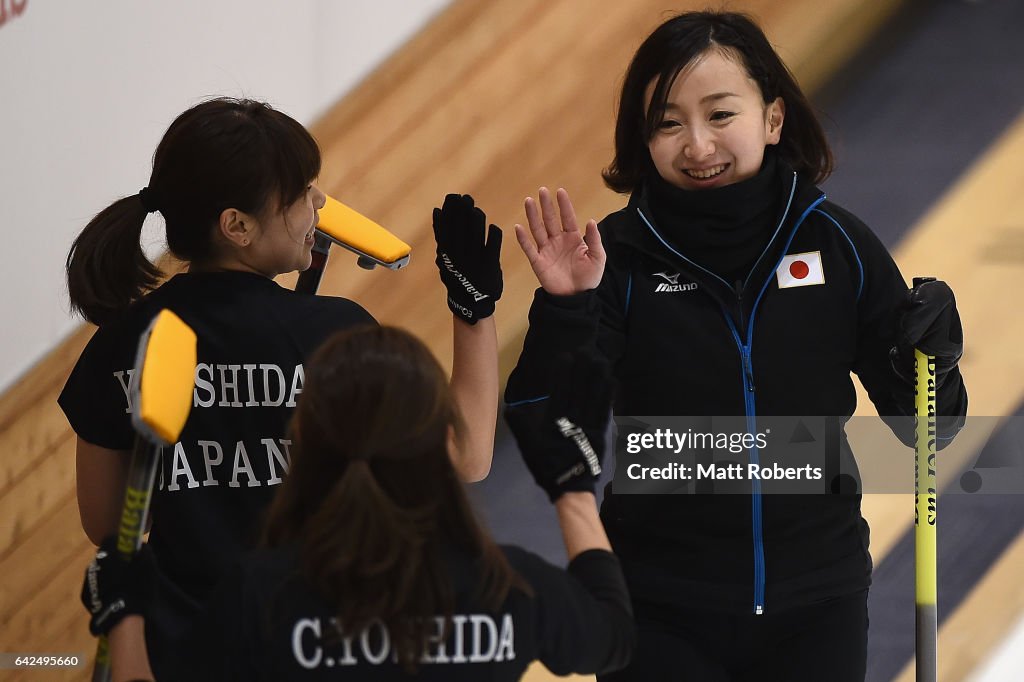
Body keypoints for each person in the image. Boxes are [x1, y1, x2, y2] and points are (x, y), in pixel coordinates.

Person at [504, 11, 967, 681]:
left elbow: (929, 430)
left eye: (720, 115)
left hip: (818, 606)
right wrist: (564, 309)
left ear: (773, 119)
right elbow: (548, 426)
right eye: (668, 123)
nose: (697, 145)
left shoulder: (839, 247)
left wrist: (935, 361)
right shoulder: (616, 261)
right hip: (656, 610)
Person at [59, 98, 503, 680]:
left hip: (186, 652)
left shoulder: (122, 342)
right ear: (236, 226)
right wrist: (473, 308)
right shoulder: (337, 334)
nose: (318, 202)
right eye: (299, 194)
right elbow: (467, 457)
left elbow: (109, 522)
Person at [81, 326, 635, 681]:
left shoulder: (262, 596)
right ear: (447, 441)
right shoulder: (511, 586)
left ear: (304, 447)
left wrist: (123, 611)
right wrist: (574, 492)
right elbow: (613, 639)